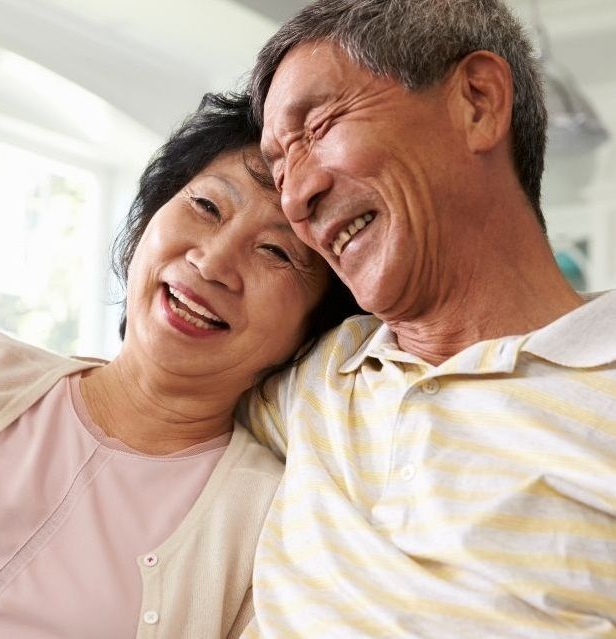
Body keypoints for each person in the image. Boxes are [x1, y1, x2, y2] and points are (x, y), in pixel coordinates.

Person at [238, 1, 616, 636]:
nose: (296, 198)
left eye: (321, 126)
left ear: (476, 102)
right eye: (279, 170)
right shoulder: (308, 381)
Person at [0, 92, 361, 639]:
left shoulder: (276, 528)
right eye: (207, 207)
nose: (212, 263)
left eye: (277, 253)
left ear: (312, 331)